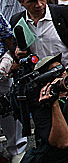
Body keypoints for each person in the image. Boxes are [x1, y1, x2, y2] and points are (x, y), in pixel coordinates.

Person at [0, 13, 26, 163]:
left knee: (9, 109)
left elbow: (7, 37)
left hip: (2, 69)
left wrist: (12, 59)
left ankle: (17, 148)